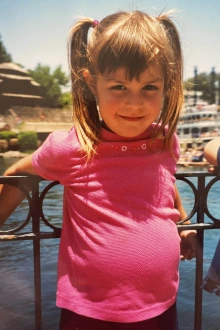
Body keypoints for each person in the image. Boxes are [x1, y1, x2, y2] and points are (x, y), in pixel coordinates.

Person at [0, 10, 197, 330]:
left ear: (167, 86)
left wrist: (183, 222)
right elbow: (17, 176)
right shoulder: (72, 146)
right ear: (91, 84)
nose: (135, 103)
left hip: (161, 306)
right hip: (89, 313)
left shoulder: (164, 141)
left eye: (149, 87)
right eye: (119, 87)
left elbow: (165, 181)